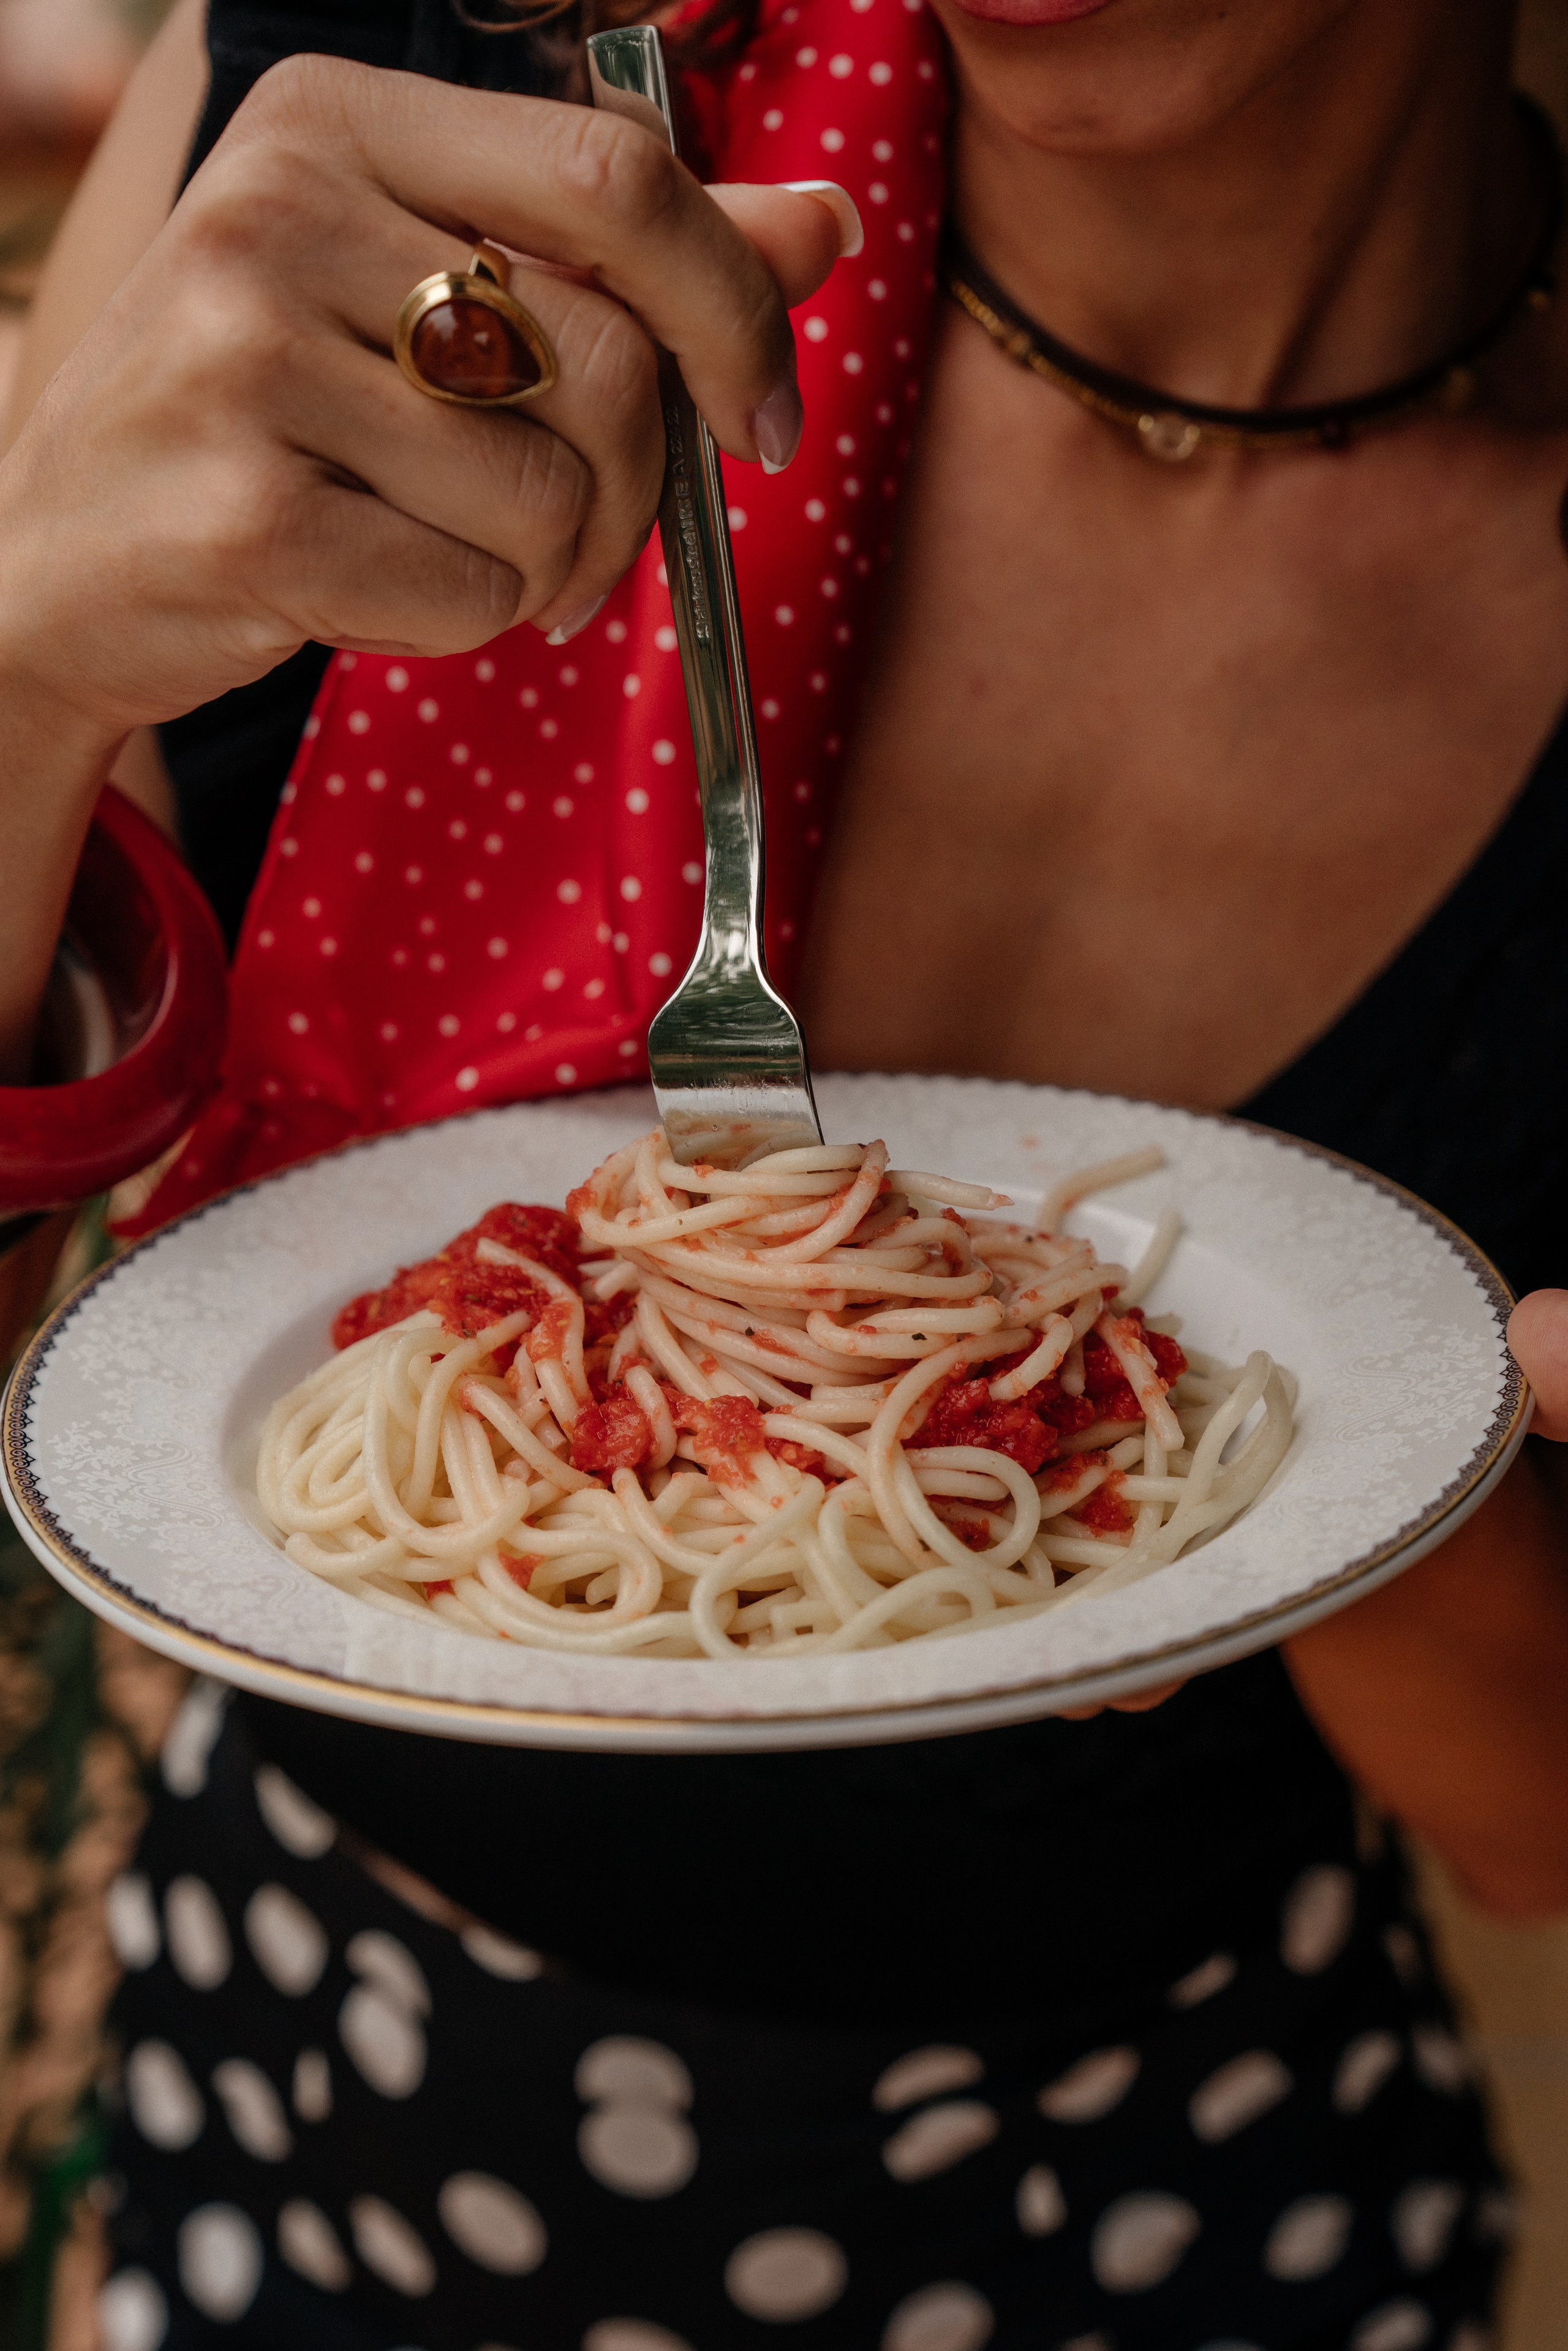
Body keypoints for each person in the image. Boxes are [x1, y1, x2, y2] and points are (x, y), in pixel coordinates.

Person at [5, 0, 1568, 2341]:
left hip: (1159, 2197)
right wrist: (17, 680)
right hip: (328, 2073)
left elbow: (1533, 1820)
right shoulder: (402, 121)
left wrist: (1235, 1447)